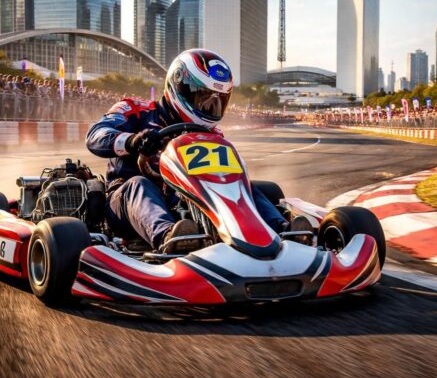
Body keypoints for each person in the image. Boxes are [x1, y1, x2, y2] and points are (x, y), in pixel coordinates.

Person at [87, 49, 295, 253]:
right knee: (140, 184)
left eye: (217, 100)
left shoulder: (212, 134)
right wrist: (132, 141)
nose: (209, 106)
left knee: (240, 185)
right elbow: (95, 135)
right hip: (127, 203)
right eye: (202, 96)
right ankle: (170, 237)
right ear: (180, 85)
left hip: (183, 200)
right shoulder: (136, 110)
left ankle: (282, 231)